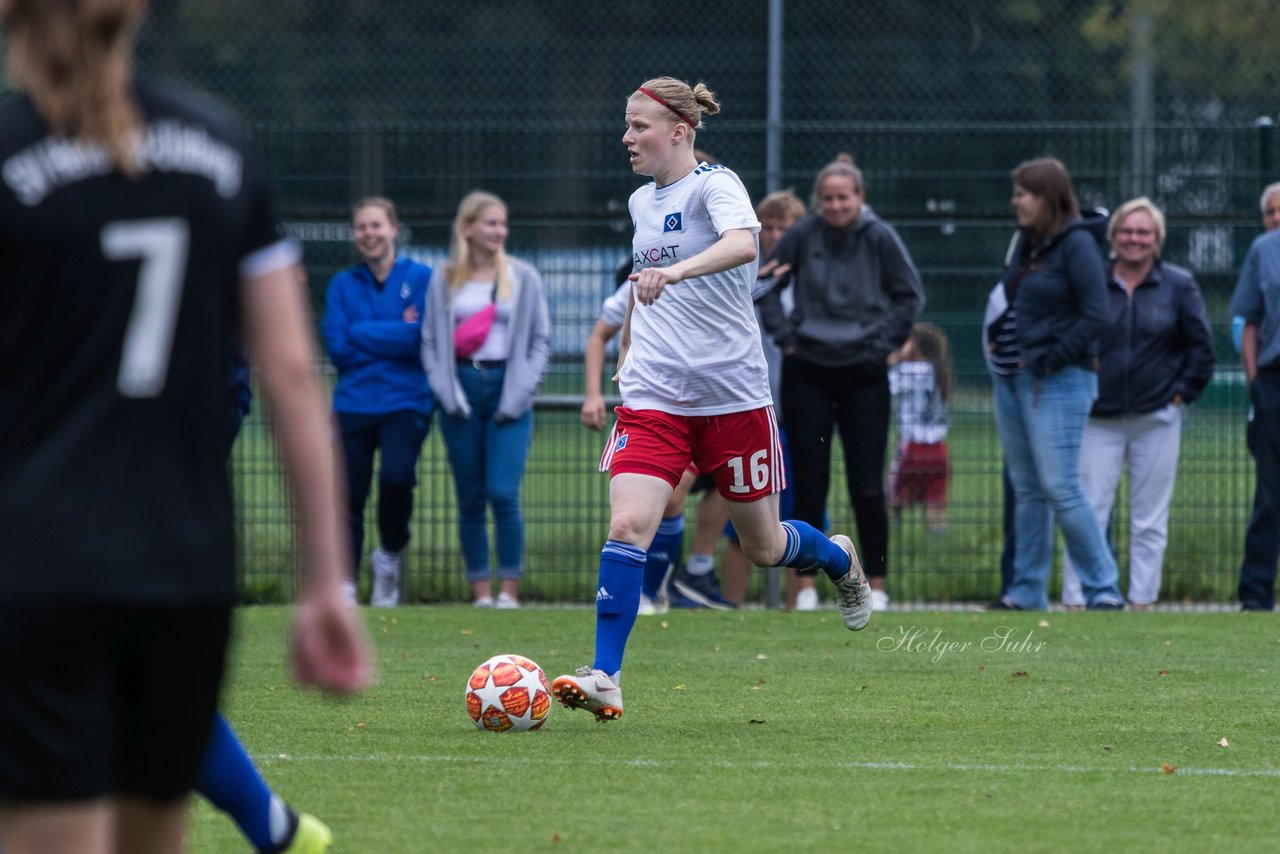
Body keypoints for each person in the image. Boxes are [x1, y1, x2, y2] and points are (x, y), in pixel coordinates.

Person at [0, 3, 372, 854]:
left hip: (39, 561)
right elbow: (288, 371)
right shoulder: (221, 148)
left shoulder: (9, 154)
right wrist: (326, 584)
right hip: (186, 565)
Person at [551, 76, 872, 722]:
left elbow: (743, 245)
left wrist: (673, 270)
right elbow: (646, 291)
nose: (626, 136)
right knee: (627, 525)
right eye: (625, 123)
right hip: (655, 399)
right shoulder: (643, 202)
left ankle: (837, 557)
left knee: (763, 547)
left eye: (639, 125)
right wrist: (626, 354)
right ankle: (606, 675)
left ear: (680, 130)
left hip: (733, 401)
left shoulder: (715, 185)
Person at [759, 154, 925, 612]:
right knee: (809, 481)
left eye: (843, 198)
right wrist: (786, 339)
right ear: (819, 201)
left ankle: (878, 580)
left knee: (868, 483)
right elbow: (764, 283)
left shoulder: (879, 238)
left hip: (864, 372)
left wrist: (881, 346)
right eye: (828, 198)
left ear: (860, 198)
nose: (835, 205)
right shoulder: (801, 234)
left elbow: (909, 297)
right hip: (807, 368)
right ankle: (807, 585)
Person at [1058, 199, 1215, 610]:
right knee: (1087, 513)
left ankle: (1142, 603)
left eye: (1144, 232)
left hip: (1157, 418)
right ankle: (1077, 600)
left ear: (1157, 239)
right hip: (1097, 418)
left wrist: (1181, 391)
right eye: (1127, 231)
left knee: (1149, 520)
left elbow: (1201, 348)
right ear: (1113, 237)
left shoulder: (1179, 285)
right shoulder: (1092, 281)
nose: (1134, 239)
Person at [983, 156, 1124, 611]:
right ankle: (1027, 591)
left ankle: (1103, 590)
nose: (1014, 201)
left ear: (1046, 198)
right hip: (1011, 381)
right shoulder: (1028, 243)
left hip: (1056, 382)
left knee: (1062, 488)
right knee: (1027, 489)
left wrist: (1049, 359)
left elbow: (1096, 315)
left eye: (1022, 193)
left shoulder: (1078, 246)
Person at [422, 191, 550, 609]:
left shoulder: (523, 276)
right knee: (470, 495)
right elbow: (430, 342)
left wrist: (519, 392)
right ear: (468, 228)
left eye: (502, 224)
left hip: (508, 387)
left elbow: (538, 341)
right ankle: (481, 592)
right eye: (491, 223)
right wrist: (448, 392)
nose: (499, 231)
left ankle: (509, 592)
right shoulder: (444, 278)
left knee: (502, 492)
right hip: (460, 387)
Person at [581, 262, 729, 613]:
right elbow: (601, 334)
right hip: (655, 407)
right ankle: (644, 595)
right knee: (638, 513)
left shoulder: (716, 271)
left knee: (764, 544)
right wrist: (593, 394)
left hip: (709, 404)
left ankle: (660, 584)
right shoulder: (642, 276)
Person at [321, 197, 433, 608]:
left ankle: (388, 557)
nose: (369, 234)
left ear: (393, 229)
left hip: (405, 400)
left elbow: (420, 339)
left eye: (376, 226)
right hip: (352, 403)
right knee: (348, 493)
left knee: (395, 479)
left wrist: (362, 332)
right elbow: (338, 347)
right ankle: (345, 583)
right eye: (362, 227)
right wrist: (393, 332)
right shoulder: (341, 285)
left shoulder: (421, 278)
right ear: (355, 234)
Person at [1230, 208, 1280, 611]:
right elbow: (1249, 321)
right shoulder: (1264, 249)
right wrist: (1255, 382)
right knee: (1270, 492)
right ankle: (1256, 594)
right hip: (1274, 380)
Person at [887, 321, 954, 534]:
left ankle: (893, 524)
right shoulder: (939, 370)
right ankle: (936, 530)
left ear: (916, 345)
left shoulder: (909, 369)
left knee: (896, 491)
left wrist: (891, 362)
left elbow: (888, 388)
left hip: (912, 446)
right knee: (935, 495)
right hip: (938, 448)